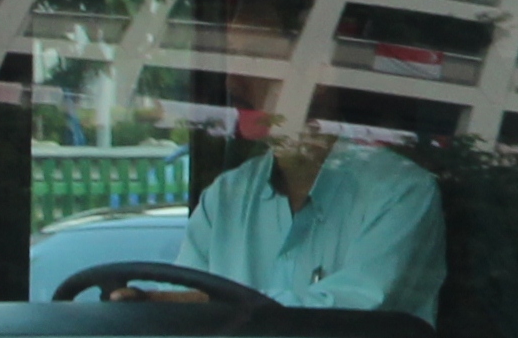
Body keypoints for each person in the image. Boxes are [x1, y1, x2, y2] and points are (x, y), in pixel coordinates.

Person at [177, 99, 446, 317]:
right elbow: (179, 308)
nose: (236, 84)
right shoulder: (226, 195)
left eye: (255, 59)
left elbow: (357, 313)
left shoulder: (398, 190)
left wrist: (214, 308)